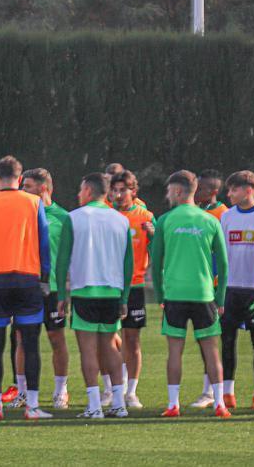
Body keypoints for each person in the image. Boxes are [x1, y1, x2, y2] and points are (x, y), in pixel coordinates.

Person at [150, 170, 231, 419]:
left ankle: (173, 404)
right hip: (204, 294)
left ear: (177, 191)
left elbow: (156, 262)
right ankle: (220, 404)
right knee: (211, 350)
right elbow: (224, 264)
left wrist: (161, 294)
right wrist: (220, 298)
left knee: (175, 350)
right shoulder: (210, 220)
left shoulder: (165, 220)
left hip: (175, 294)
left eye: (168, 191)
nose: (167, 195)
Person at [0, 156, 51, 420]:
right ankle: (32, 406)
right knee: (30, 343)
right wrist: (45, 276)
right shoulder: (34, 203)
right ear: (19, 179)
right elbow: (44, 243)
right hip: (27, 278)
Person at [55, 173, 133, 418]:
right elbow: (128, 263)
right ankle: (119, 403)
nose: (78, 195)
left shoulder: (73, 218)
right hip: (112, 291)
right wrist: (124, 297)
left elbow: (62, 261)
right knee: (110, 346)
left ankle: (94, 405)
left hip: (84, 290)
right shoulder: (121, 220)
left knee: (87, 350)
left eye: (80, 190)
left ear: (88, 190)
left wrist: (60, 294)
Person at [217, 170, 254, 411]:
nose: (229, 194)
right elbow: (220, 253)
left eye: (233, 190)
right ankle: (227, 392)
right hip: (230, 289)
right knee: (227, 341)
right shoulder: (226, 217)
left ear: (248, 190)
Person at [22, 167, 72, 409]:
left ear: (43, 189)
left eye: (27, 187)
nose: (23, 191)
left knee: (56, 337)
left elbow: (70, 256)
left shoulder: (63, 217)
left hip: (52, 289)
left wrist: (65, 290)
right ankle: (23, 392)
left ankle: (61, 390)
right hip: (26, 287)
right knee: (23, 339)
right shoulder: (22, 213)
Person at [110, 169, 153, 410]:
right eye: (114, 190)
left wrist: (154, 235)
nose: (118, 194)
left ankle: (131, 392)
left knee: (132, 338)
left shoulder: (145, 216)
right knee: (106, 338)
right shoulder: (106, 215)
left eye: (122, 190)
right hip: (109, 284)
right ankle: (111, 388)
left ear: (133, 192)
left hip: (134, 286)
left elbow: (158, 250)